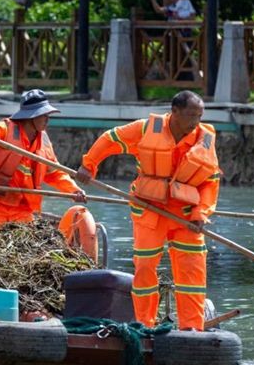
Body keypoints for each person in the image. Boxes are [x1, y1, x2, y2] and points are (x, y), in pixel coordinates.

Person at [76, 91, 220, 331]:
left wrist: (202, 213)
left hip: (186, 214)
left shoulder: (204, 139)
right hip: (149, 209)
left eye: (199, 116)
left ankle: (192, 327)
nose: (196, 122)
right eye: (191, 115)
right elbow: (110, 138)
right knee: (144, 267)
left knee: (192, 269)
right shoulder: (146, 129)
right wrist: (88, 165)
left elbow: (211, 181)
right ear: (174, 112)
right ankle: (145, 324)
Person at [0, 89, 86, 230]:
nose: (47, 119)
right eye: (43, 115)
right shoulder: (3, 130)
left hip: (22, 209)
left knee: (26, 247)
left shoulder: (43, 141)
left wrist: (73, 190)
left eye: (48, 115)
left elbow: (54, 173)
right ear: (31, 117)